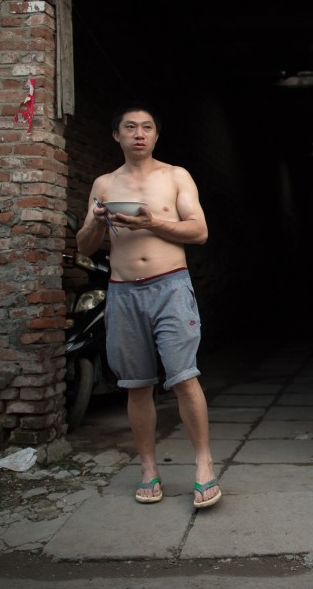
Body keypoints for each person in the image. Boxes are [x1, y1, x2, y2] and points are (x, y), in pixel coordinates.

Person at [75, 102, 221, 509]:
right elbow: (84, 247)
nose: (139, 133)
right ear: (116, 136)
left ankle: (204, 465)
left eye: (147, 127)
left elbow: (199, 231)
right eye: (130, 127)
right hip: (123, 292)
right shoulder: (104, 184)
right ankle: (148, 469)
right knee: (137, 385)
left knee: (183, 378)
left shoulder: (175, 176)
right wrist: (95, 221)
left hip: (170, 287)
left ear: (156, 136)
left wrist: (151, 223)